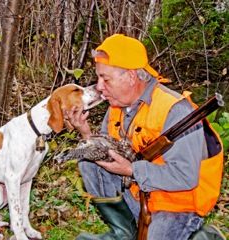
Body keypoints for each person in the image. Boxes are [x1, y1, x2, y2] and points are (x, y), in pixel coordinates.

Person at [65, 34, 225, 240]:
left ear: (131, 76)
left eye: (105, 79)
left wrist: (132, 170)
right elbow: (107, 151)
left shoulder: (176, 111)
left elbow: (185, 177)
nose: (99, 87)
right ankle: (125, 232)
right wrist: (85, 133)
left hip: (176, 206)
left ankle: (204, 236)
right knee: (89, 161)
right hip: (138, 195)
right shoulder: (117, 106)